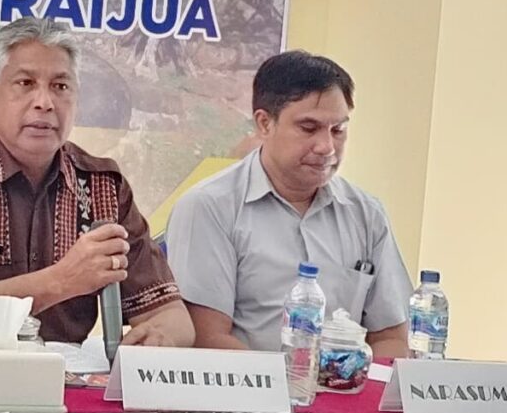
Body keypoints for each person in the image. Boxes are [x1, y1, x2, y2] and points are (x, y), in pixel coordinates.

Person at [0, 24, 194, 348]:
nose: (44, 102)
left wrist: (159, 338)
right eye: (25, 83)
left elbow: (170, 314)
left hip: (70, 374)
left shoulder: (103, 187)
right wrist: (59, 281)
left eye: (60, 86)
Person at [168, 50, 412, 357]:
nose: (326, 147)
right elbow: (206, 340)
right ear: (264, 124)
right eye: (308, 128)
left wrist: (348, 382)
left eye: (338, 130)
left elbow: (391, 339)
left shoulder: (366, 213)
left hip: (344, 386)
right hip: (248, 386)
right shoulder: (209, 207)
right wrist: (293, 381)